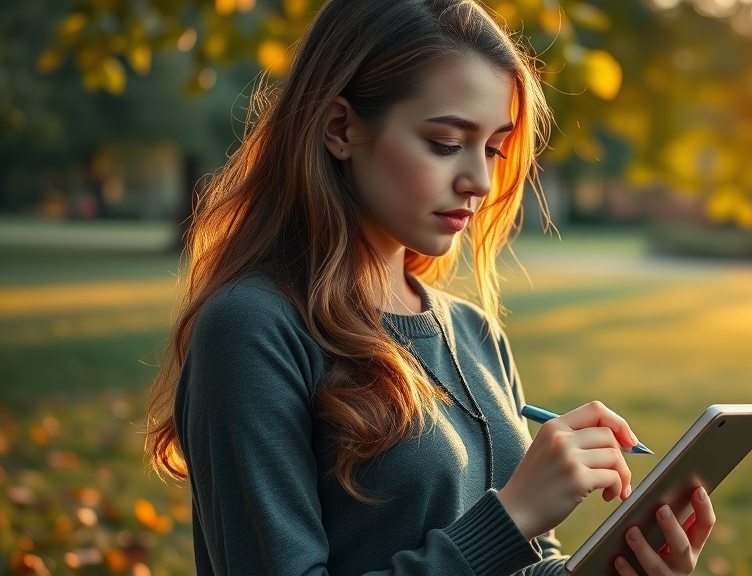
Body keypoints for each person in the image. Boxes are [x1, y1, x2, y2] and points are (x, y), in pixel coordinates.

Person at [144, 1, 716, 574]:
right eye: (446, 143)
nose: (480, 181)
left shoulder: (473, 331)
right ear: (340, 128)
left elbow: (521, 564)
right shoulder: (253, 328)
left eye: (494, 148)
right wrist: (511, 518)